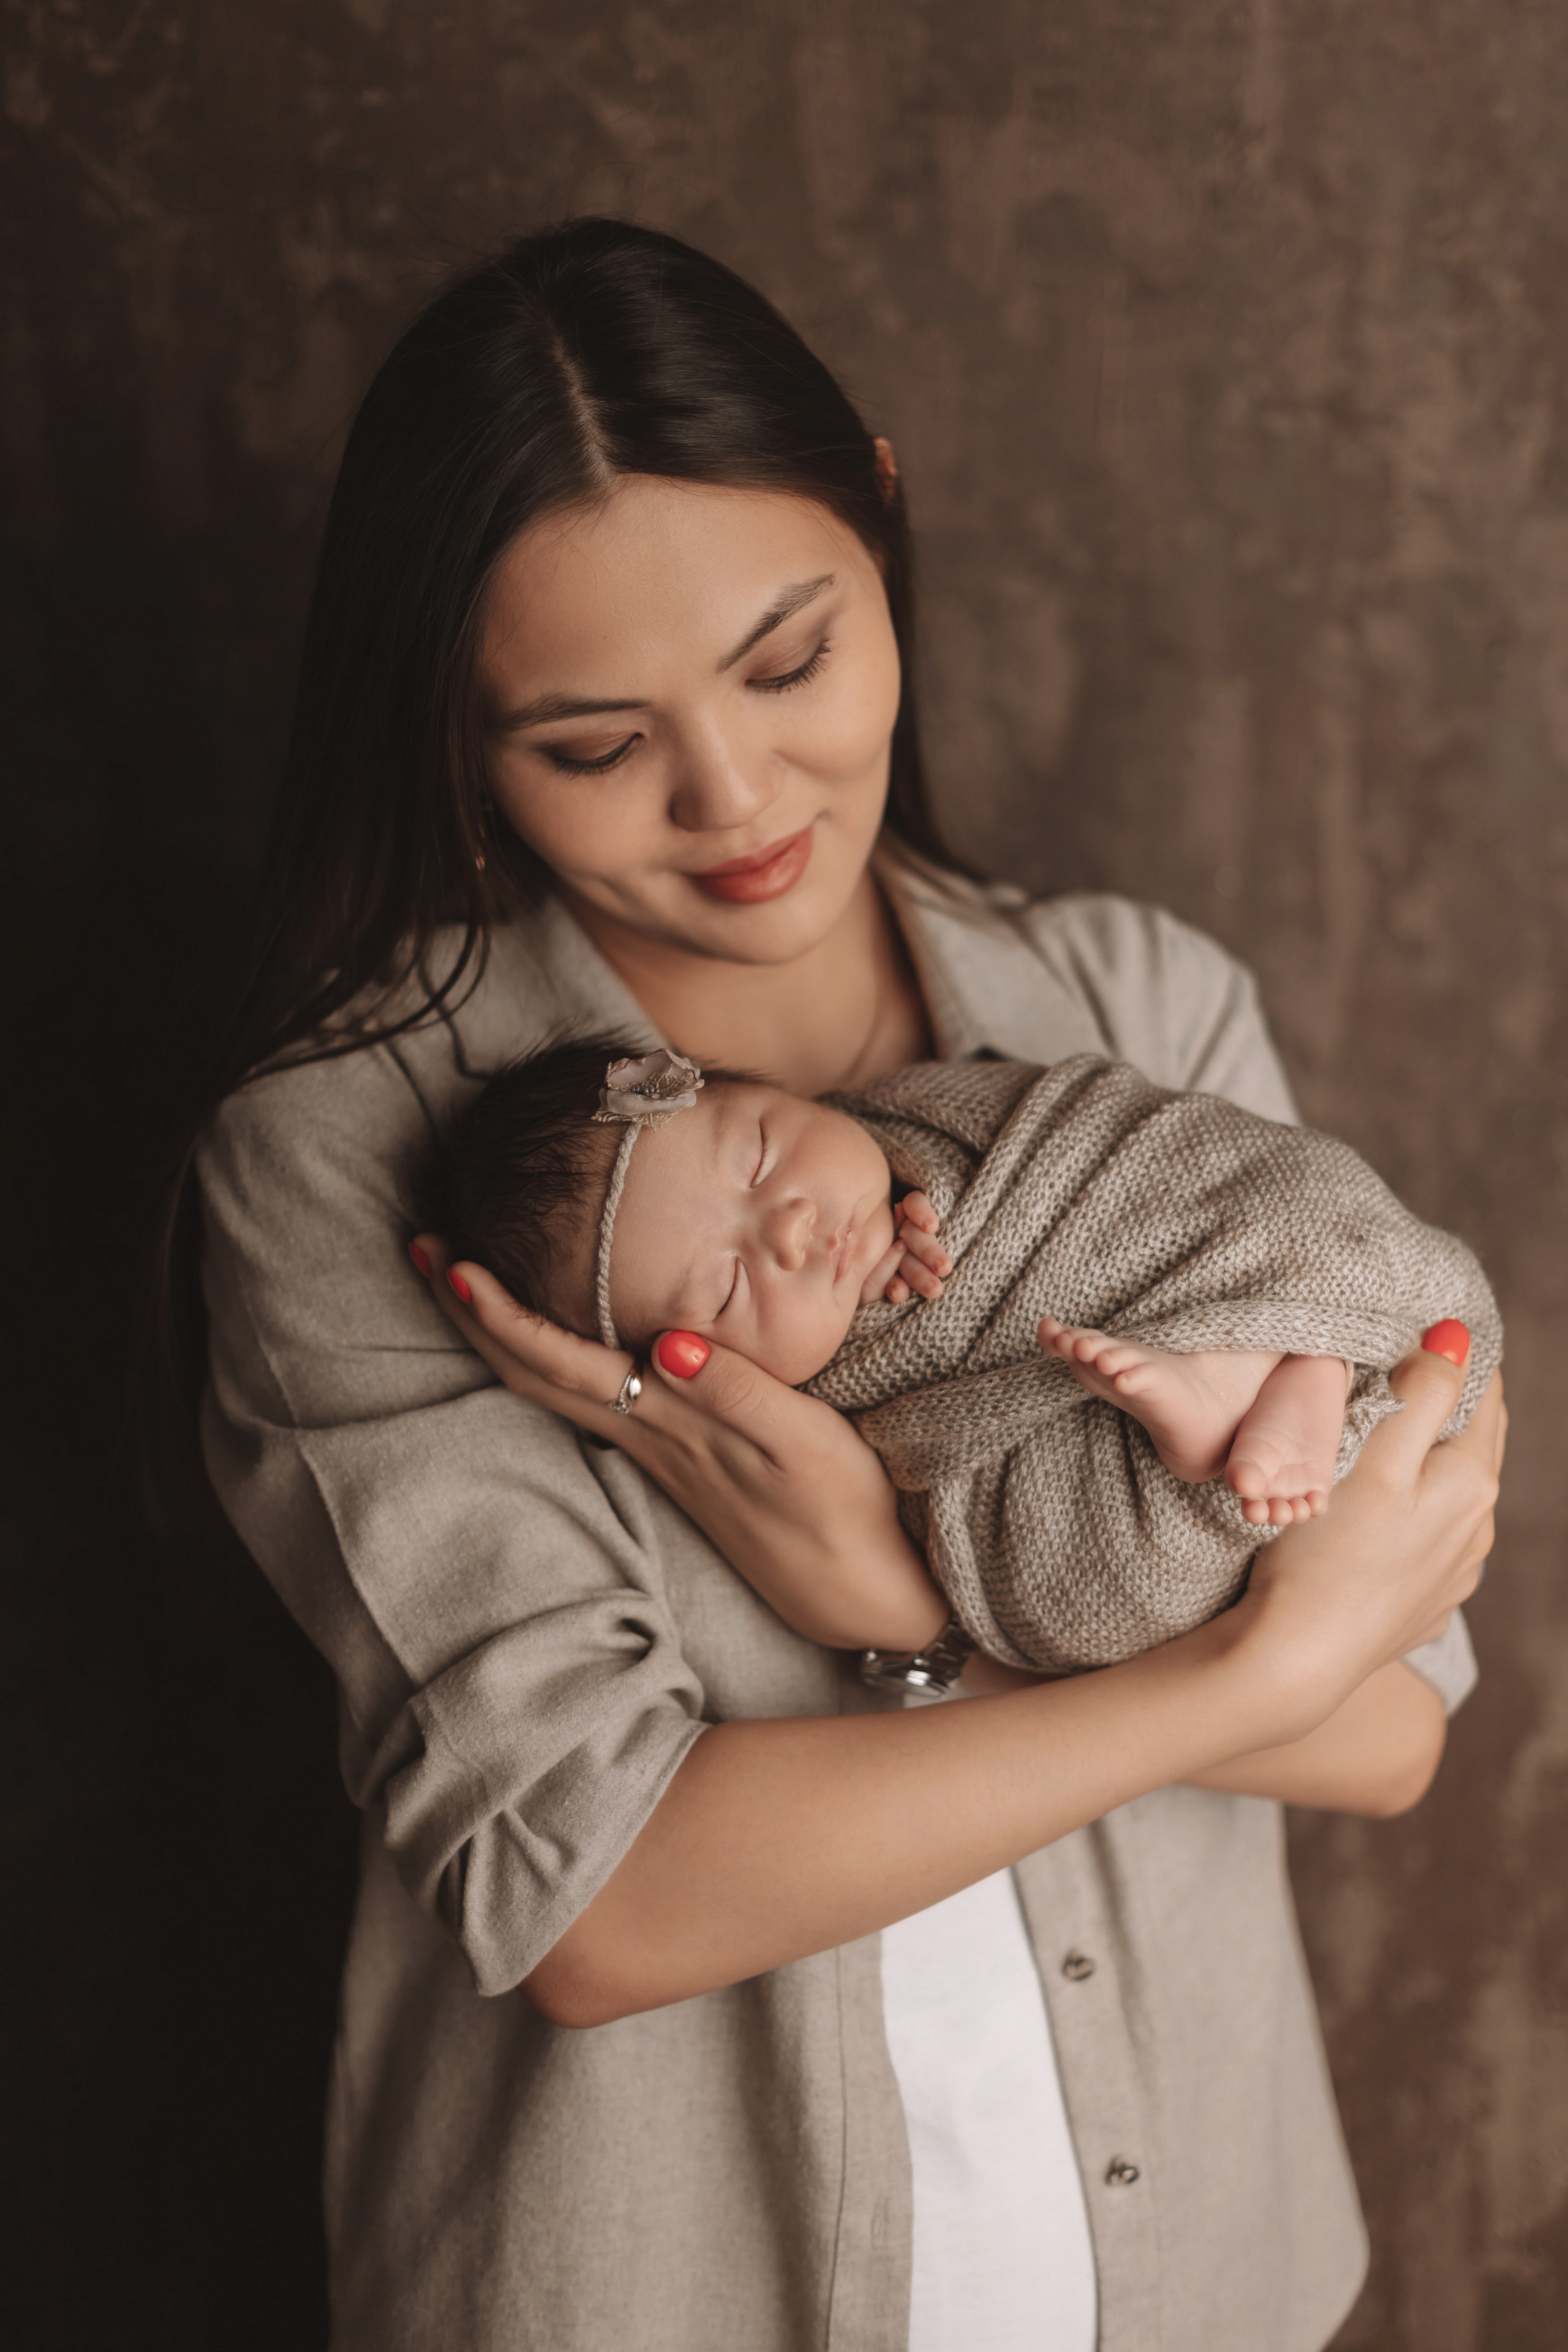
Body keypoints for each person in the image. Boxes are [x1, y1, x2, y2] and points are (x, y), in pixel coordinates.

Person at [187, 218, 1504, 2352]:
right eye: (594, 745)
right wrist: (1227, 1686)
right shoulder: (354, 1160)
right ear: (454, 727)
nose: (734, 803)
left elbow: (1392, 1732)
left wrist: (903, 1606)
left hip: (1199, 2284)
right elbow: (596, 1896)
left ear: (880, 517)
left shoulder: (1134, 1003)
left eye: (787, 660)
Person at [431, 1033, 1499, 1678]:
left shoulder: (912, 1112)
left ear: (770, 1088)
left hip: (1184, 1245)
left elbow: (1108, 1137)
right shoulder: (802, 1420)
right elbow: (926, 1450)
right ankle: (1248, 1399)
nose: (794, 1229)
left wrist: (927, 1193)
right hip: (1095, 1452)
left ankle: (1282, 1362)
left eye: (760, 1151)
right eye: (727, 1288)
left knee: (1313, 1209)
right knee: (1074, 1593)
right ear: (684, 1363)